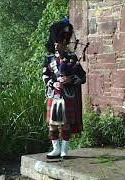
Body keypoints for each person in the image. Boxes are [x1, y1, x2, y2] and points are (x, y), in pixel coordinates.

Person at [42, 18, 86, 159]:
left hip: (67, 95)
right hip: (53, 94)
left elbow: (82, 77)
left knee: (65, 123)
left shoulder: (72, 57)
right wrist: (53, 83)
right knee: (53, 124)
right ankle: (56, 149)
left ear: (64, 43)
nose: (56, 47)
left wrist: (70, 79)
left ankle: (64, 150)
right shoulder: (48, 59)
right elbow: (45, 76)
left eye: (59, 44)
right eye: (55, 44)